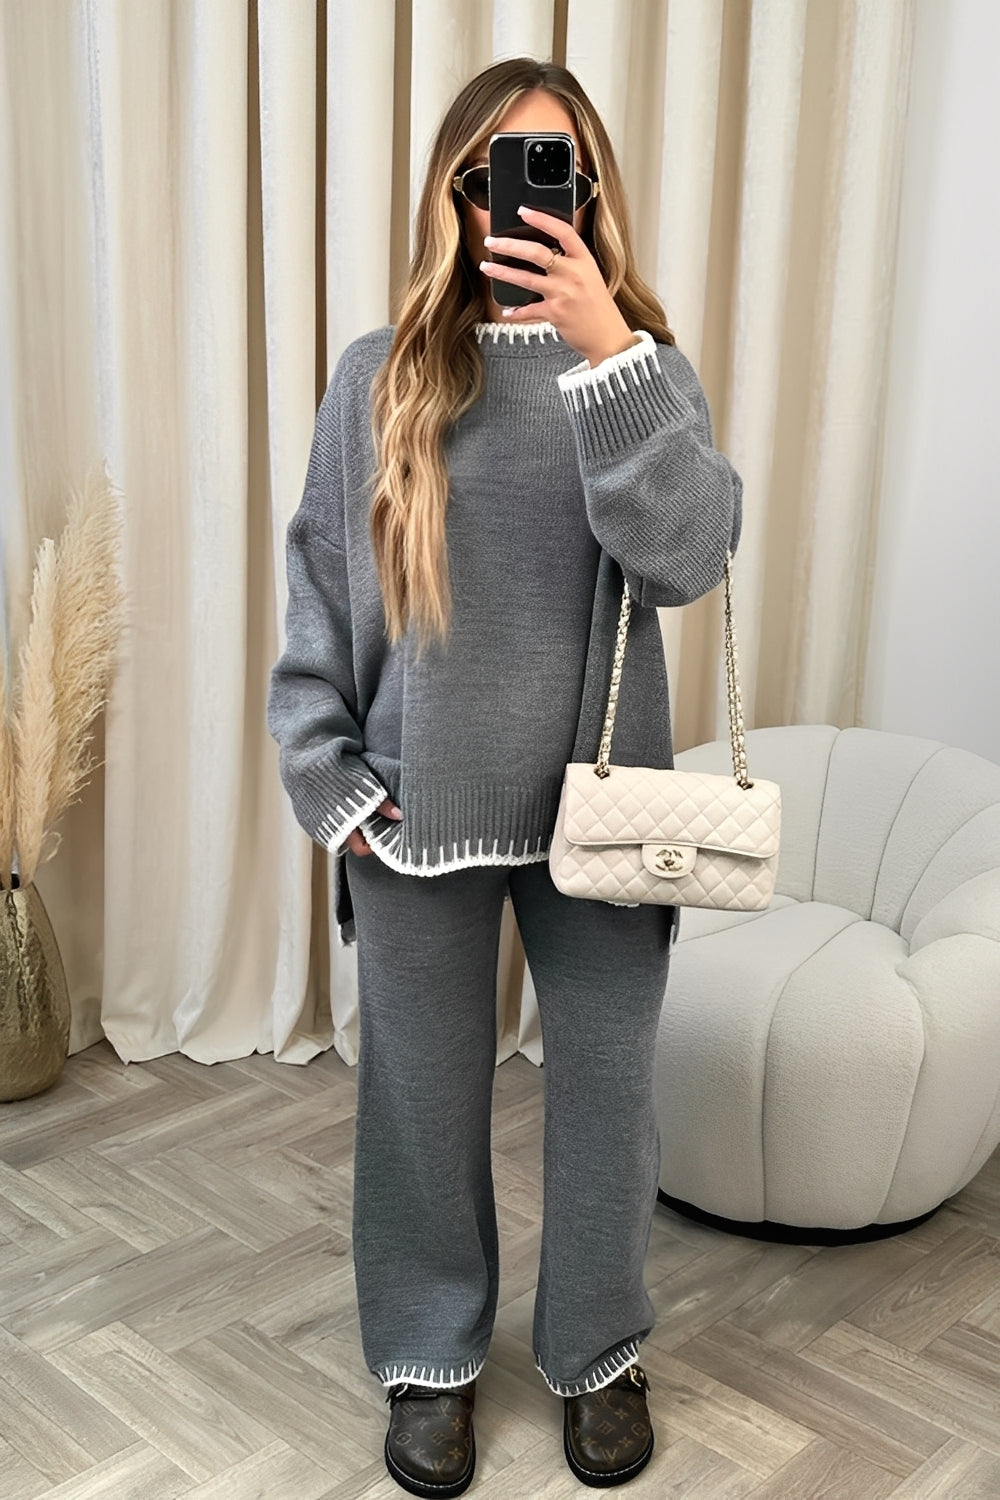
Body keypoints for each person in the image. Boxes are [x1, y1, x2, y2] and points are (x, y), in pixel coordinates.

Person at [267, 55, 742, 1497]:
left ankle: (599, 1350)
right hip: (418, 808)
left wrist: (609, 354)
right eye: (490, 175)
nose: (517, 204)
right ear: (450, 193)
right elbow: (320, 591)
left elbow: (690, 557)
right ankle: (429, 1355)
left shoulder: (645, 369)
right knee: (418, 1099)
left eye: (554, 174)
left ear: (590, 195)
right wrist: (330, 778)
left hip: (605, 811)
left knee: (607, 1098)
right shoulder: (383, 376)